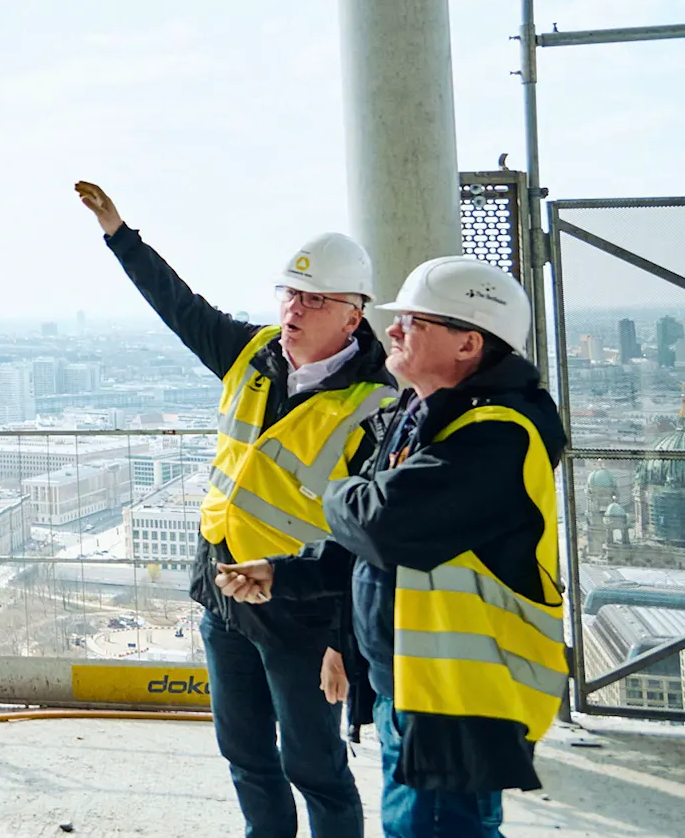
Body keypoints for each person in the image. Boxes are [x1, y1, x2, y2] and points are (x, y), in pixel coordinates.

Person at [76, 181, 397, 838]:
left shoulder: (376, 405)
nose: (295, 308)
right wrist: (118, 232)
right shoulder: (251, 354)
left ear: (353, 314)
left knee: (316, 767)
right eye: (290, 293)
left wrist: (344, 641)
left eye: (314, 298)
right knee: (246, 754)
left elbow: (370, 541)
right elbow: (179, 306)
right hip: (226, 592)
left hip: (303, 613)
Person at [217, 256, 566, 838]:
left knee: (434, 829)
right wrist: (287, 573)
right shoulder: (424, 415)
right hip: (412, 684)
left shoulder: (498, 434)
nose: (395, 331)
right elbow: (380, 543)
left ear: (468, 343)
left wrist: (339, 490)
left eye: (414, 321)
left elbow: (381, 524)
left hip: (460, 695)